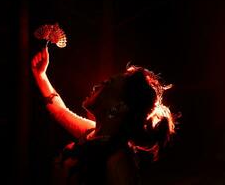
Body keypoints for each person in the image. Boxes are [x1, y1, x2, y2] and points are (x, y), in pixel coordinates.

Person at [31, 46, 176, 185]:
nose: (96, 86)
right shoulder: (95, 133)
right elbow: (61, 113)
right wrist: (41, 75)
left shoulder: (118, 159)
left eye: (107, 84)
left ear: (118, 107)